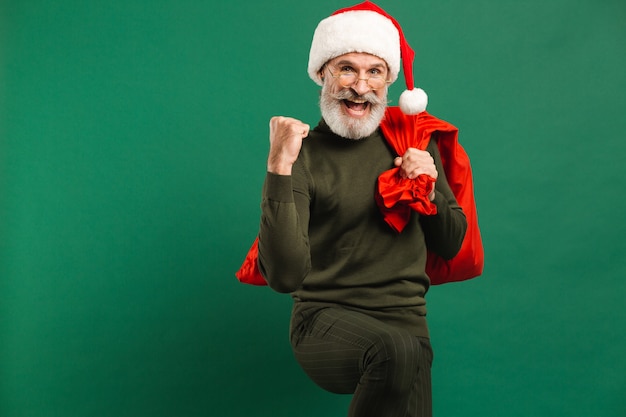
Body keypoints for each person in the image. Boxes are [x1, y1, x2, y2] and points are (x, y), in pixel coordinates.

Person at [255, 2, 468, 416]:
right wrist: (279, 165)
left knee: (406, 350)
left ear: (389, 80)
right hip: (322, 323)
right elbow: (283, 277)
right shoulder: (303, 155)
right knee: (396, 350)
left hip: (407, 325)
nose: (360, 85)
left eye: (374, 71)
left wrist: (428, 186)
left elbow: (451, 243)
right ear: (323, 74)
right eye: (346, 68)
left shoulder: (412, 141)